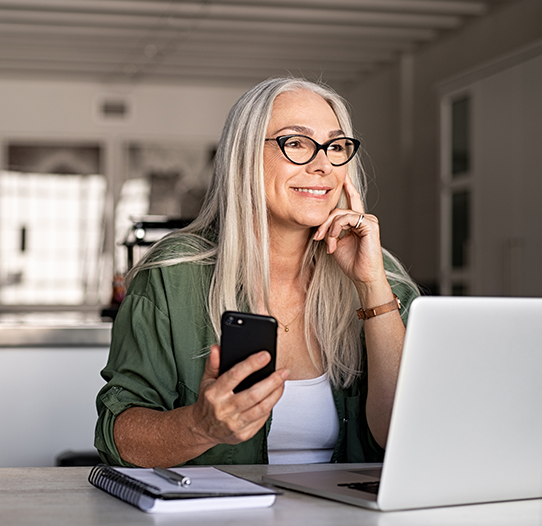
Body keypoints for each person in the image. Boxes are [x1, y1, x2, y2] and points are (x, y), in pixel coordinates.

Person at [95, 77, 419, 468]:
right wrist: (200, 426)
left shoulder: (382, 278)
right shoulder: (174, 274)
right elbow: (119, 437)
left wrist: (371, 287)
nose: (322, 165)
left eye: (335, 147)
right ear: (245, 157)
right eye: (296, 143)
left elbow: (407, 436)